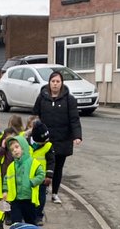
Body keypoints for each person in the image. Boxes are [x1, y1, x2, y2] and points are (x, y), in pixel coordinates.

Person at [30, 70, 82, 205]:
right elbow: (35, 116)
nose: (55, 84)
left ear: (62, 83)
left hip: (62, 139)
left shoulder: (69, 99)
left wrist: (77, 136)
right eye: (53, 81)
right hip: (44, 140)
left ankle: (55, 193)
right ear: (49, 83)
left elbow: (74, 119)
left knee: (58, 167)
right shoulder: (42, 97)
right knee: (43, 165)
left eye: (58, 81)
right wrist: (31, 131)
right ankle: (42, 189)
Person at [4, 134, 45, 226]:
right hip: (16, 200)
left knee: (30, 222)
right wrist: (5, 191)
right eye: (12, 150)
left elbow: (41, 174)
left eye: (17, 147)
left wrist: (32, 182)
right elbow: (6, 179)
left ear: (24, 147)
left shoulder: (33, 162)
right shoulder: (11, 166)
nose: (15, 150)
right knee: (16, 223)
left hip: (29, 198)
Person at [26, 119, 55, 225]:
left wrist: (49, 176)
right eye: (42, 141)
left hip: (41, 178)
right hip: (28, 177)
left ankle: (38, 216)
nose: (44, 143)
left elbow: (51, 162)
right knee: (27, 197)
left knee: (41, 198)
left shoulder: (48, 146)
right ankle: (28, 215)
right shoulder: (26, 143)